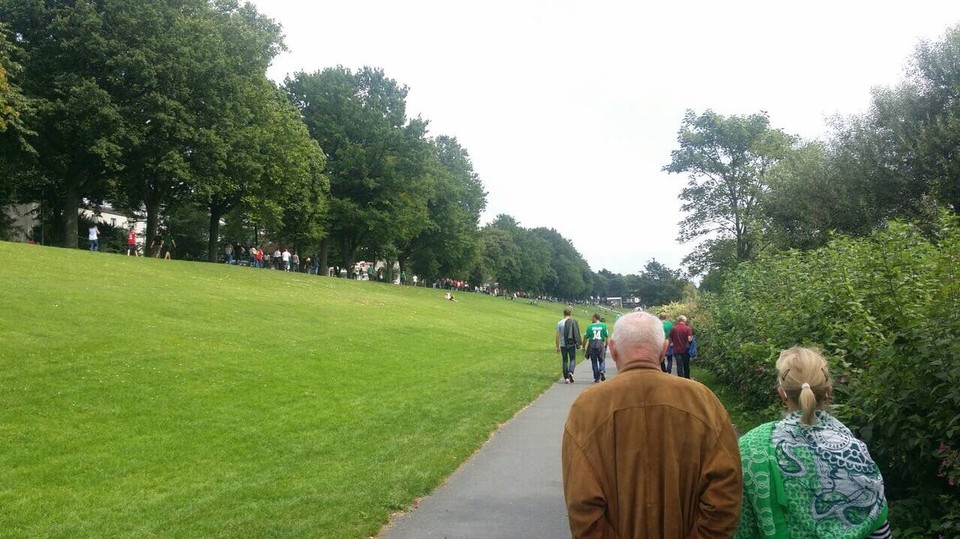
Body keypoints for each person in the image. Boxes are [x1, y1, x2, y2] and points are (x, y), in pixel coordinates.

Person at [562, 311, 742, 537]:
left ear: (613, 348)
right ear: (665, 348)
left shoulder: (587, 408)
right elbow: (725, 491)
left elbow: (581, 503)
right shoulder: (703, 401)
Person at [735, 347, 890, 539]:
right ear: (828, 391)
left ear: (782, 393)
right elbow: (879, 532)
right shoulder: (855, 451)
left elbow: (739, 523)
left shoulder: (751, 447)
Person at [555, 308, 582, 384]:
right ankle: (571, 372)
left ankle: (566, 378)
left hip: (563, 344)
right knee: (572, 359)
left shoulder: (559, 323)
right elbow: (576, 333)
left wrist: (557, 346)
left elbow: (557, 336)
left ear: (563, 313)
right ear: (570, 314)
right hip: (571, 343)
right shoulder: (573, 322)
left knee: (565, 360)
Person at [582, 313, 609, 383]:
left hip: (592, 344)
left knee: (594, 362)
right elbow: (607, 336)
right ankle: (602, 370)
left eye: (592, 317)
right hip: (600, 343)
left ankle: (597, 378)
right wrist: (606, 345)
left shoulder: (590, 326)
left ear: (595, 318)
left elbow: (585, 337)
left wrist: (583, 346)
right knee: (602, 359)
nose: (591, 319)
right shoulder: (604, 326)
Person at [668, 314, 693, 378]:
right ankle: (687, 378)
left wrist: (671, 344)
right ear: (685, 321)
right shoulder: (688, 328)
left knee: (679, 365)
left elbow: (670, 338)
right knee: (686, 365)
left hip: (676, 350)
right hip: (685, 350)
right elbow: (689, 340)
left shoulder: (673, 329)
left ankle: (681, 379)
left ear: (678, 320)